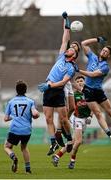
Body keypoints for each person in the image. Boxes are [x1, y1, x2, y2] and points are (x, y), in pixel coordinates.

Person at [38, 12, 81, 156]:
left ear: (74, 55)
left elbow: (63, 82)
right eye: (69, 48)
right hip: (48, 89)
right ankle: (53, 142)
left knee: (63, 118)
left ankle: (69, 139)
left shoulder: (71, 68)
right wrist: (66, 21)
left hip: (56, 90)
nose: (69, 49)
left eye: (72, 50)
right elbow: (65, 37)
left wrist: (49, 85)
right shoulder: (61, 56)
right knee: (48, 118)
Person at [76, 36, 111, 143]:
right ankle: (109, 134)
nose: (104, 52)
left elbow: (93, 75)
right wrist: (97, 39)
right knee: (98, 113)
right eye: (103, 50)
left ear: (108, 56)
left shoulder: (105, 66)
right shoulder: (92, 57)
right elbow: (83, 43)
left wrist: (79, 70)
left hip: (98, 91)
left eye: (106, 52)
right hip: (88, 91)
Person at [52, 75, 92, 169]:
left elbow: (93, 107)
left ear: (84, 82)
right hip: (77, 119)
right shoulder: (74, 95)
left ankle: (57, 156)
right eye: (77, 82)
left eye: (81, 81)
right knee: (78, 142)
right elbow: (70, 108)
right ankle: (72, 161)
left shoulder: (88, 94)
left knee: (74, 141)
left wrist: (90, 116)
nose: (79, 83)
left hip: (85, 120)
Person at [4, 80, 40, 173]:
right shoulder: (30, 101)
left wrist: (14, 116)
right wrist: (36, 115)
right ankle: (28, 169)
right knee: (24, 147)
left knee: (7, 146)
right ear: (26, 90)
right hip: (26, 130)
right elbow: (35, 114)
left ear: (16, 90)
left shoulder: (11, 102)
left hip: (15, 129)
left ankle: (13, 157)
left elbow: (6, 118)